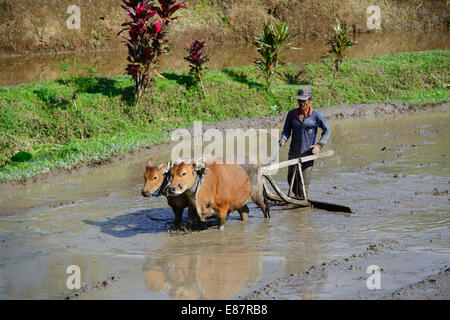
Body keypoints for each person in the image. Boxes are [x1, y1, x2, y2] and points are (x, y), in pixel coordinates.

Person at [279, 87, 331, 200]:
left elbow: (327, 130)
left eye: (304, 100)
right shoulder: (292, 114)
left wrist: (319, 145)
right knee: (291, 181)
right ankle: (297, 198)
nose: (302, 103)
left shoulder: (316, 115)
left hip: (308, 155)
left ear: (310, 100)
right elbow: (287, 130)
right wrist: (283, 139)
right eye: (300, 100)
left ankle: (302, 206)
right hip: (293, 154)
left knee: (304, 183)